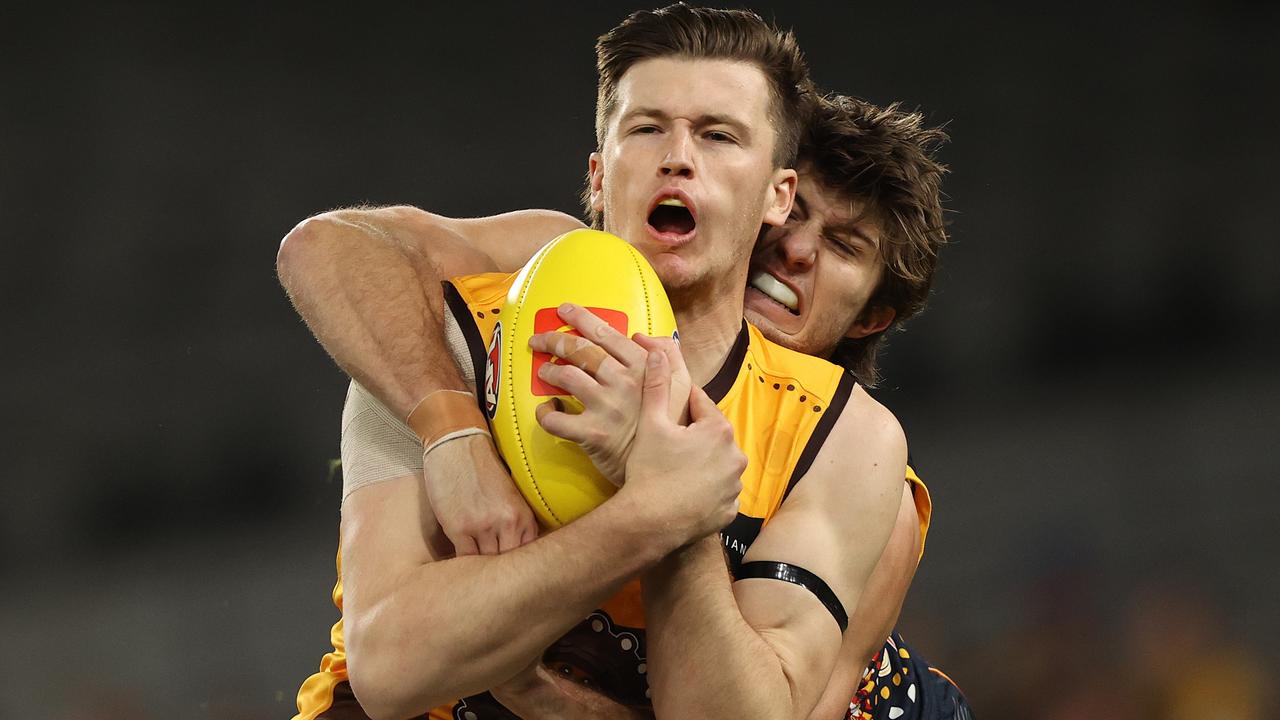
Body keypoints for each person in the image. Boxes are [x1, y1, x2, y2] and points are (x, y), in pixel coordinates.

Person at [280, 6, 952, 719]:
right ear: (598, 177)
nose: (679, 155)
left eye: (719, 135)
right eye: (647, 127)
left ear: (772, 195)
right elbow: (391, 672)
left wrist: (673, 517)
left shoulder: (849, 442)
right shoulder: (441, 337)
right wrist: (455, 432)